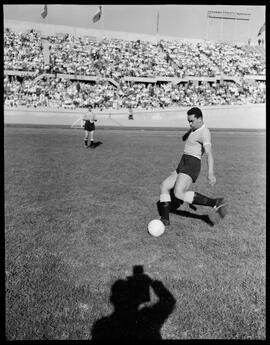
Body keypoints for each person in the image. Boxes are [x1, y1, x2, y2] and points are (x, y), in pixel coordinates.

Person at [157, 107, 226, 226]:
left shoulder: (205, 133)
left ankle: (215, 202)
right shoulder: (194, 128)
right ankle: (165, 219)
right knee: (164, 186)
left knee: (179, 192)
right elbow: (191, 132)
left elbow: (209, 154)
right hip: (183, 161)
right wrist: (186, 134)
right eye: (188, 121)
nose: (190, 123)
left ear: (200, 119)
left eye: (192, 121)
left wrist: (210, 173)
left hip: (192, 163)